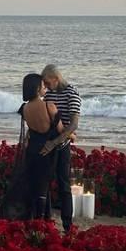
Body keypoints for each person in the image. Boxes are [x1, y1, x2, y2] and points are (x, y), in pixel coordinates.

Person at [0, 73, 63, 221]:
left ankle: (34, 217)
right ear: (36, 88)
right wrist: (72, 135)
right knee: (43, 185)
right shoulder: (49, 106)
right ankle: (41, 219)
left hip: (32, 150)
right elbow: (61, 130)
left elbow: (30, 131)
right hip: (46, 151)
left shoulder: (24, 109)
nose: (45, 87)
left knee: (35, 183)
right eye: (42, 85)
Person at [40, 64, 81, 232]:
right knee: (45, 182)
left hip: (61, 144)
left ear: (56, 79)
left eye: (48, 83)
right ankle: (47, 219)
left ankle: (67, 224)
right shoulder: (49, 93)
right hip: (48, 140)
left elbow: (73, 125)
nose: (46, 87)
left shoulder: (72, 93)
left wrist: (55, 142)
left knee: (64, 184)